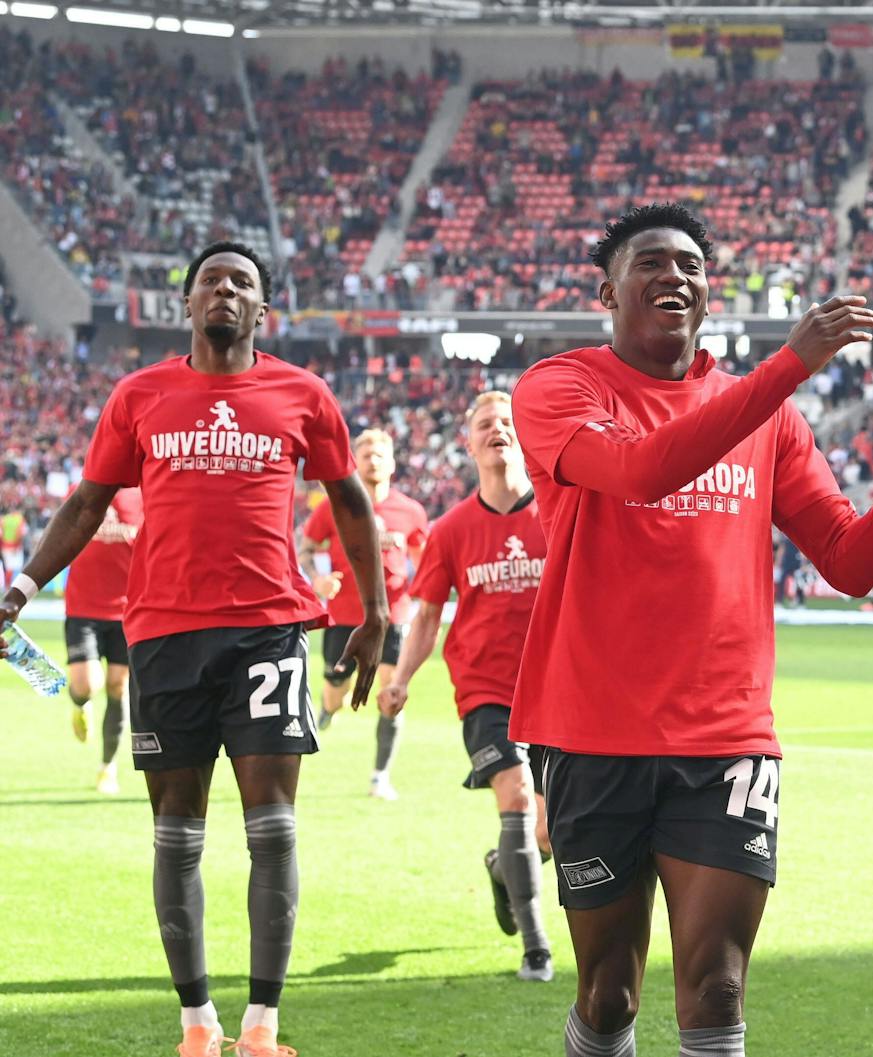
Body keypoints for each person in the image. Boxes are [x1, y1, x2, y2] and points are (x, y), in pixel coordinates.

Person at [510, 202, 873, 1057]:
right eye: (652, 263)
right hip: (590, 730)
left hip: (726, 737)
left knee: (716, 986)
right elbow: (641, 471)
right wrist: (791, 365)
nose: (675, 275)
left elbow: (849, 563)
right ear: (607, 290)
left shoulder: (766, 416)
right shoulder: (559, 387)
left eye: (690, 266)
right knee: (608, 993)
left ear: (709, 295)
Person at [0, 241, 387, 1057]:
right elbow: (84, 502)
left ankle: (261, 1028)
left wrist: (376, 609)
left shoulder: (303, 393)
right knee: (177, 830)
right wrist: (23, 587)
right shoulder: (139, 393)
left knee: (272, 827)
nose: (225, 289)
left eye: (241, 281)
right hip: (164, 634)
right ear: (187, 304)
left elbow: (349, 498)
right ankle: (197, 1026)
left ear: (262, 310)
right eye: (211, 279)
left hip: (268, 630)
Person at [377, 390, 556, 982]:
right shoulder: (451, 530)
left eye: (507, 422)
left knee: (552, 831)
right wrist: (400, 678)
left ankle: (503, 866)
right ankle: (537, 951)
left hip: (558, 692)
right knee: (517, 797)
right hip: (486, 693)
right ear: (469, 442)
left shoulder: (557, 515)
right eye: (486, 424)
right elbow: (426, 615)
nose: (498, 430)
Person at [298, 428, 428, 800]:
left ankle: (379, 778)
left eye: (379, 454)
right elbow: (307, 548)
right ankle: (328, 708)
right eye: (365, 453)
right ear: (355, 460)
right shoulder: (336, 505)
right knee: (335, 691)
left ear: (392, 463)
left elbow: (424, 558)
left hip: (393, 616)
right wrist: (319, 578)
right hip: (344, 617)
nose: (372, 459)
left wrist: (425, 587)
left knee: (391, 693)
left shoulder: (410, 511)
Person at [63, 486, 143, 793]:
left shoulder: (143, 497)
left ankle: (107, 767)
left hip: (126, 611)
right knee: (86, 685)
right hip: (83, 607)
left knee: (117, 687)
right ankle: (80, 703)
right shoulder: (82, 490)